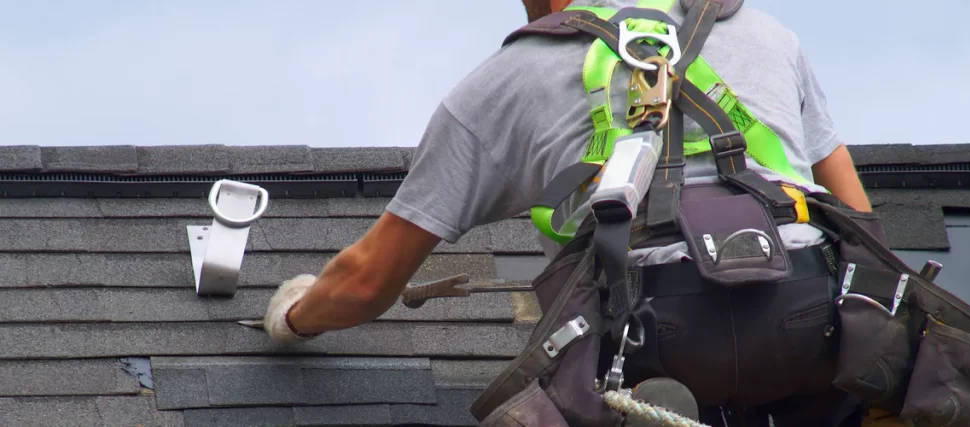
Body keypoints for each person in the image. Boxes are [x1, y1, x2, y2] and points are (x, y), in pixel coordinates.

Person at [260, 0, 876, 425]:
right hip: (811, 317)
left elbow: (367, 281)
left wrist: (293, 317)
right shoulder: (769, 36)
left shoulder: (504, 82)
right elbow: (860, 224)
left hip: (650, 337)